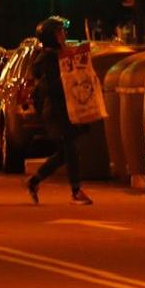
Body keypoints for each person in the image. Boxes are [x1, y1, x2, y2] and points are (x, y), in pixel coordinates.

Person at [25, 16, 92, 206]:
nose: (64, 35)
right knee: (69, 148)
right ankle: (76, 190)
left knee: (65, 152)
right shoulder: (50, 59)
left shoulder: (57, 55)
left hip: (63, 107)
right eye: (60, 32)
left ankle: (35, 180)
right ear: (52, 36)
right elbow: (55, 86)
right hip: (56, 109)